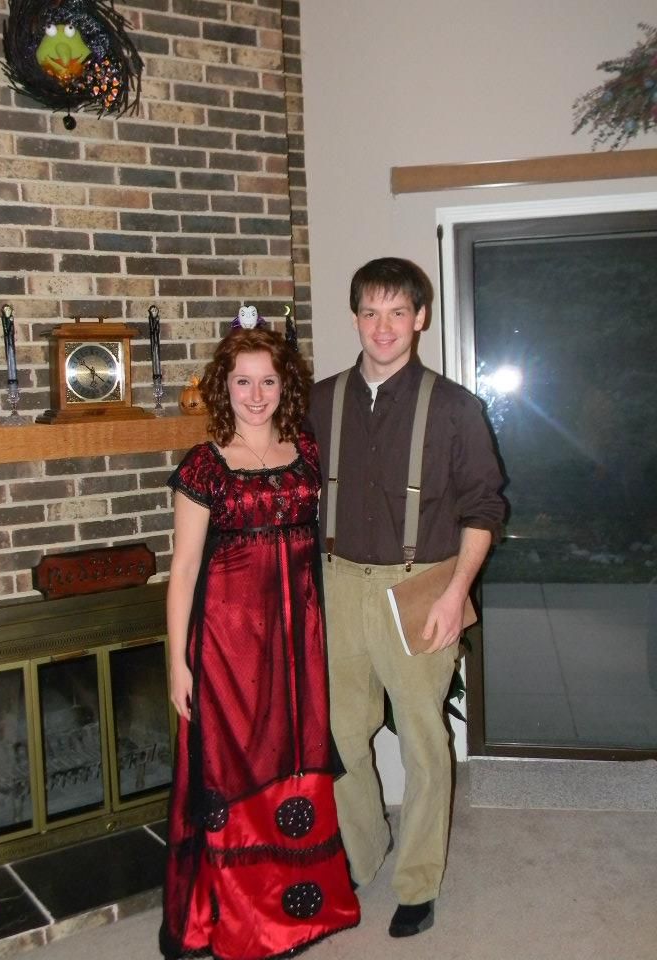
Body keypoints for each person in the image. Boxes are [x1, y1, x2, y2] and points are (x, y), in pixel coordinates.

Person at [308, 257, 505, 938]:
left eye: (398, 312)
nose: (383, 327)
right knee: (339, 734)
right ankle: (364, 857)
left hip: (420, 585)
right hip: (337, 585)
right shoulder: (320, 399)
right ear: (356, 317)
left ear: (420, 318)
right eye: (370, 312)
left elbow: (484, 508)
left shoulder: (455, 408)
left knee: (423, 740)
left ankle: (418, 884)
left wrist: (456, 593)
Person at [159, 318, 360, 960]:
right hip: (227, 649)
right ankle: (244, 922)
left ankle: (302, 910)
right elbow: (184, 570)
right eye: (242, 381)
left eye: (267, 381)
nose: (255, 394)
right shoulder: (207, 465)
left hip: (297, 642)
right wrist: (176, 664)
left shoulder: (306, 452)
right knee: (235, 764)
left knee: (295, 753)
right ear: (225, 386)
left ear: (283, 385)